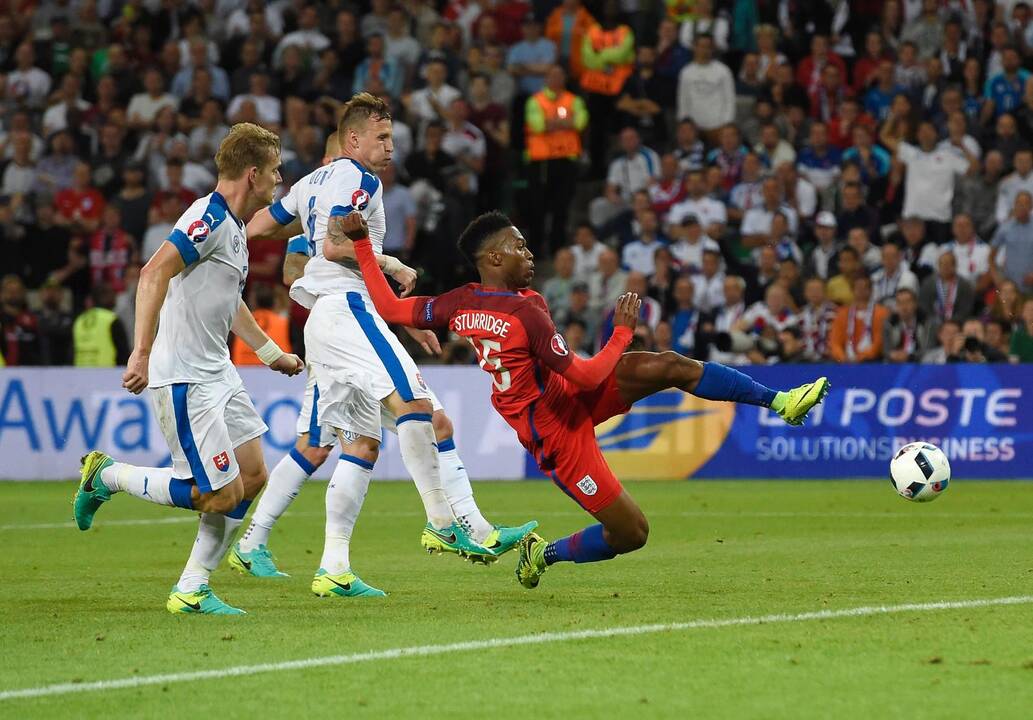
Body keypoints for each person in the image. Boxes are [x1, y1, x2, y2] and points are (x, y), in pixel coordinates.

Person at [343, 209, 829, 589]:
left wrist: (364, 244)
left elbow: (389, 306)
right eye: (519, 246)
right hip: (552, 432)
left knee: (668, 366)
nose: (530, 254)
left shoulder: (460, 301)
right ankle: (543, 554)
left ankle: (781, 401)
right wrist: (621, 334)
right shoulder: (525, 311)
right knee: (632, 533)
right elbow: (591, 370)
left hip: (564, 396)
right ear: (494, 258)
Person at [246, 94, 535, 590]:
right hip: (346, 312)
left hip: (345, 318)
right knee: (416, 409)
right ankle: (444, 526)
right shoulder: (359, 179)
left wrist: (221, 241)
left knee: (371, 439)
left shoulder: (310, 183)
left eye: (392, 138)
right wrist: (394, 264)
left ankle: (334, 568)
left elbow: (259, 225)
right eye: (382, 138)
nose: (391, 148)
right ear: (353, 140)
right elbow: (338, 246)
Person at [72, 123, 305, 615]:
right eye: (275, 171)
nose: (280, 179)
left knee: (253, 475)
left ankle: (193, 588)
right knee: (217, 495)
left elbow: (229, 301)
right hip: (183, 375)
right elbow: (153, 271)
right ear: (252, 173)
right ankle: (107, 476)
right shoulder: (207, 217)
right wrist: (140, 352)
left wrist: (270, 354)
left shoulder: (237, 228)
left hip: (218, 371)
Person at [829, 274, 890, 362]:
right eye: (858, 288)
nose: (861, 291)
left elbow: (879, 341)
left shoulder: (881, 313)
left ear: (871, 290)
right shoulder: (842, 313)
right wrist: (842, 357)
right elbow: (835, 342)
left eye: (864, 288)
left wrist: (862, 357)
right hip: (846, 362)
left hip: (872, 361)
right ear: (852, 290)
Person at [72, 283, 130, 367]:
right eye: (111, 293)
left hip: (81, 372)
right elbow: (123, 353)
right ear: (104, 296)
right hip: (106, 373)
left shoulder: (80, 320)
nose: (115, 297)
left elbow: (72, 352)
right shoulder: (111, 319)